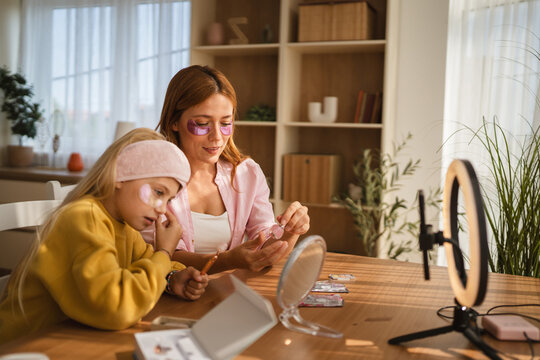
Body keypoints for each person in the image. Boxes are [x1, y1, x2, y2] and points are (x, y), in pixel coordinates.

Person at [0, 128, 208, 344]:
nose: (162, 210)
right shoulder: (84, 217)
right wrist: (164, 253)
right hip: (22, 347)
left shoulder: (125, 228)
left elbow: (148, 264)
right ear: (121, 175)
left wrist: (172, 279)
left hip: (71, 340)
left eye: (169, 200)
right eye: (158, 192)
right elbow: (117, 308)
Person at [155, 65, 310, 273]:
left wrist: (292, 231)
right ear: (174, 121)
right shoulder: (154, 178)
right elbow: (162, 255)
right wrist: (227, 261)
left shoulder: (247, 174)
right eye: (202, 123)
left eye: (226, 123)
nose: (217, 137)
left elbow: (263, 249)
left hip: (226, 294)